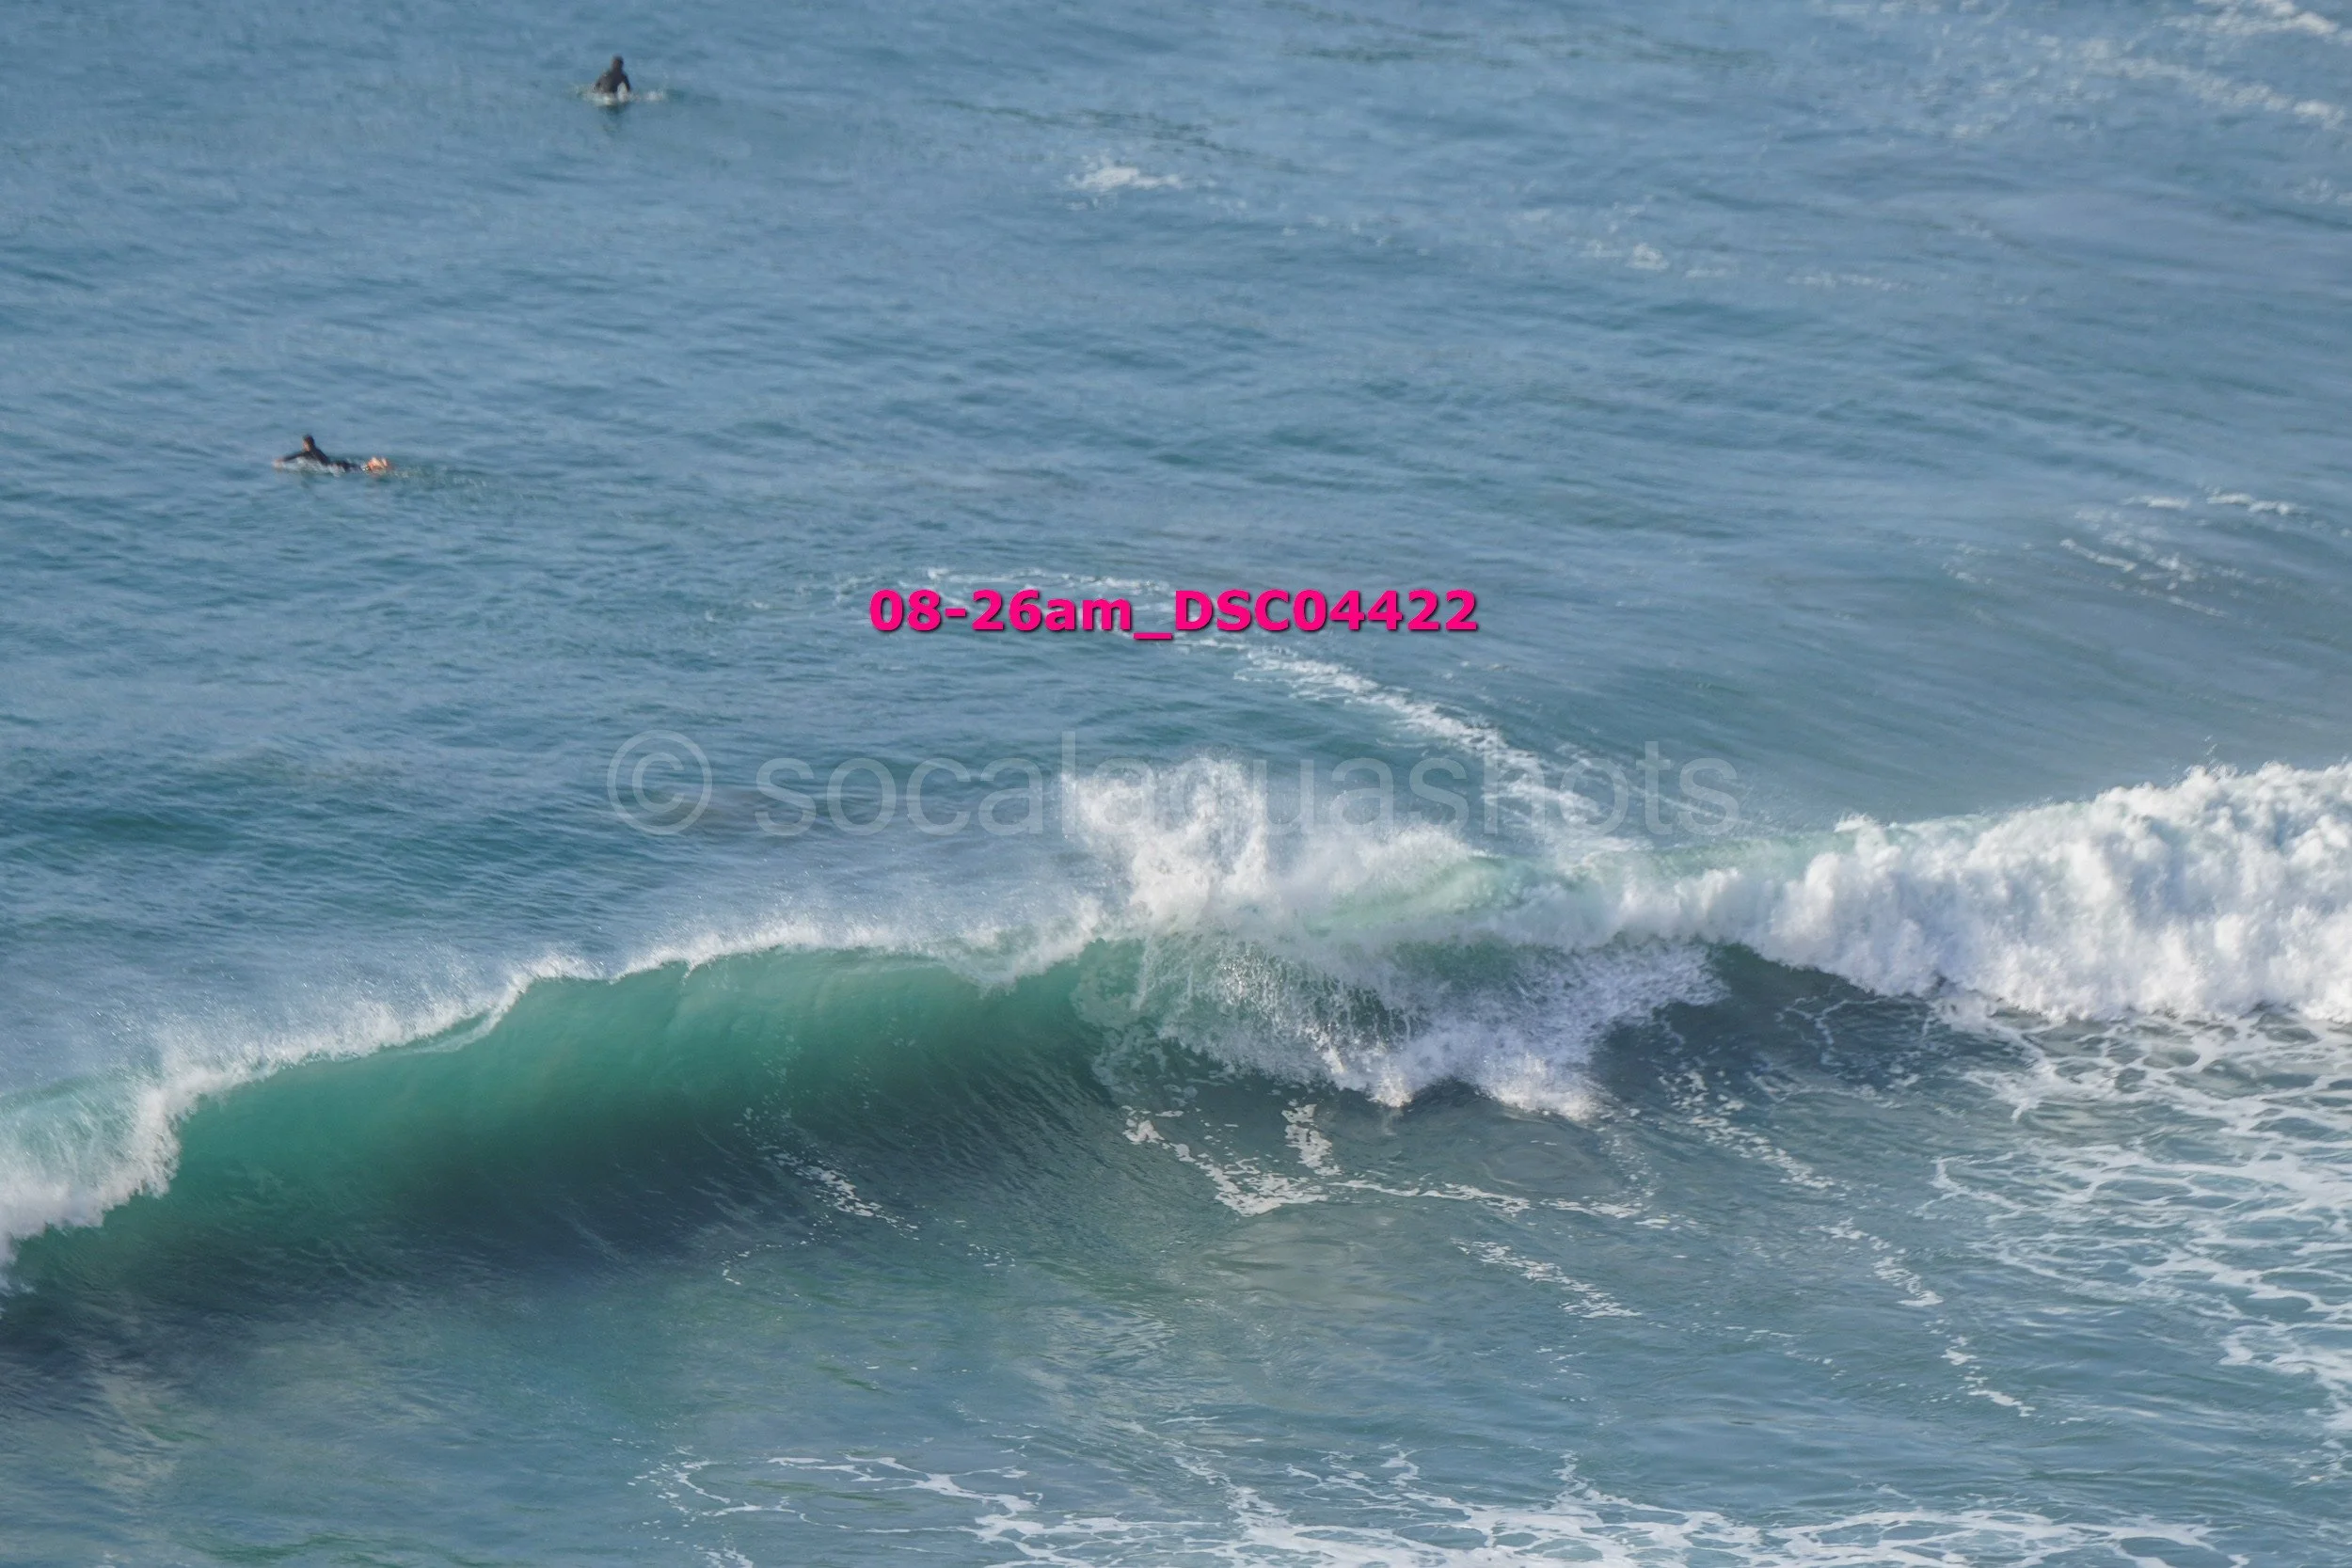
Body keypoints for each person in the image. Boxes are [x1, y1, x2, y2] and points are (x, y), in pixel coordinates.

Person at [277, 435, 358, 472]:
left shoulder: (308, 452)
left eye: (303, 443)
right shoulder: (317, 450)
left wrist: (282, 460)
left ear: (306, 444)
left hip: (333, 467)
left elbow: (295, 455)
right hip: (337, 463)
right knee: (359, 468)